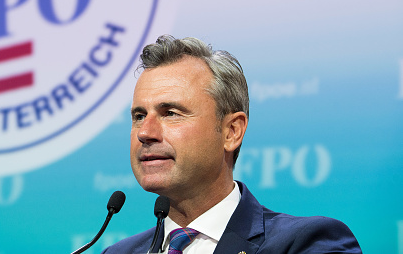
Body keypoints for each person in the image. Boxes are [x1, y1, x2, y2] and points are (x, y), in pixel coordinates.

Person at [102, 35, 361, 253]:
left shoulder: (307, 243)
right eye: (139, 116)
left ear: (231, 132)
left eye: (170, 113)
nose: (145, 132)